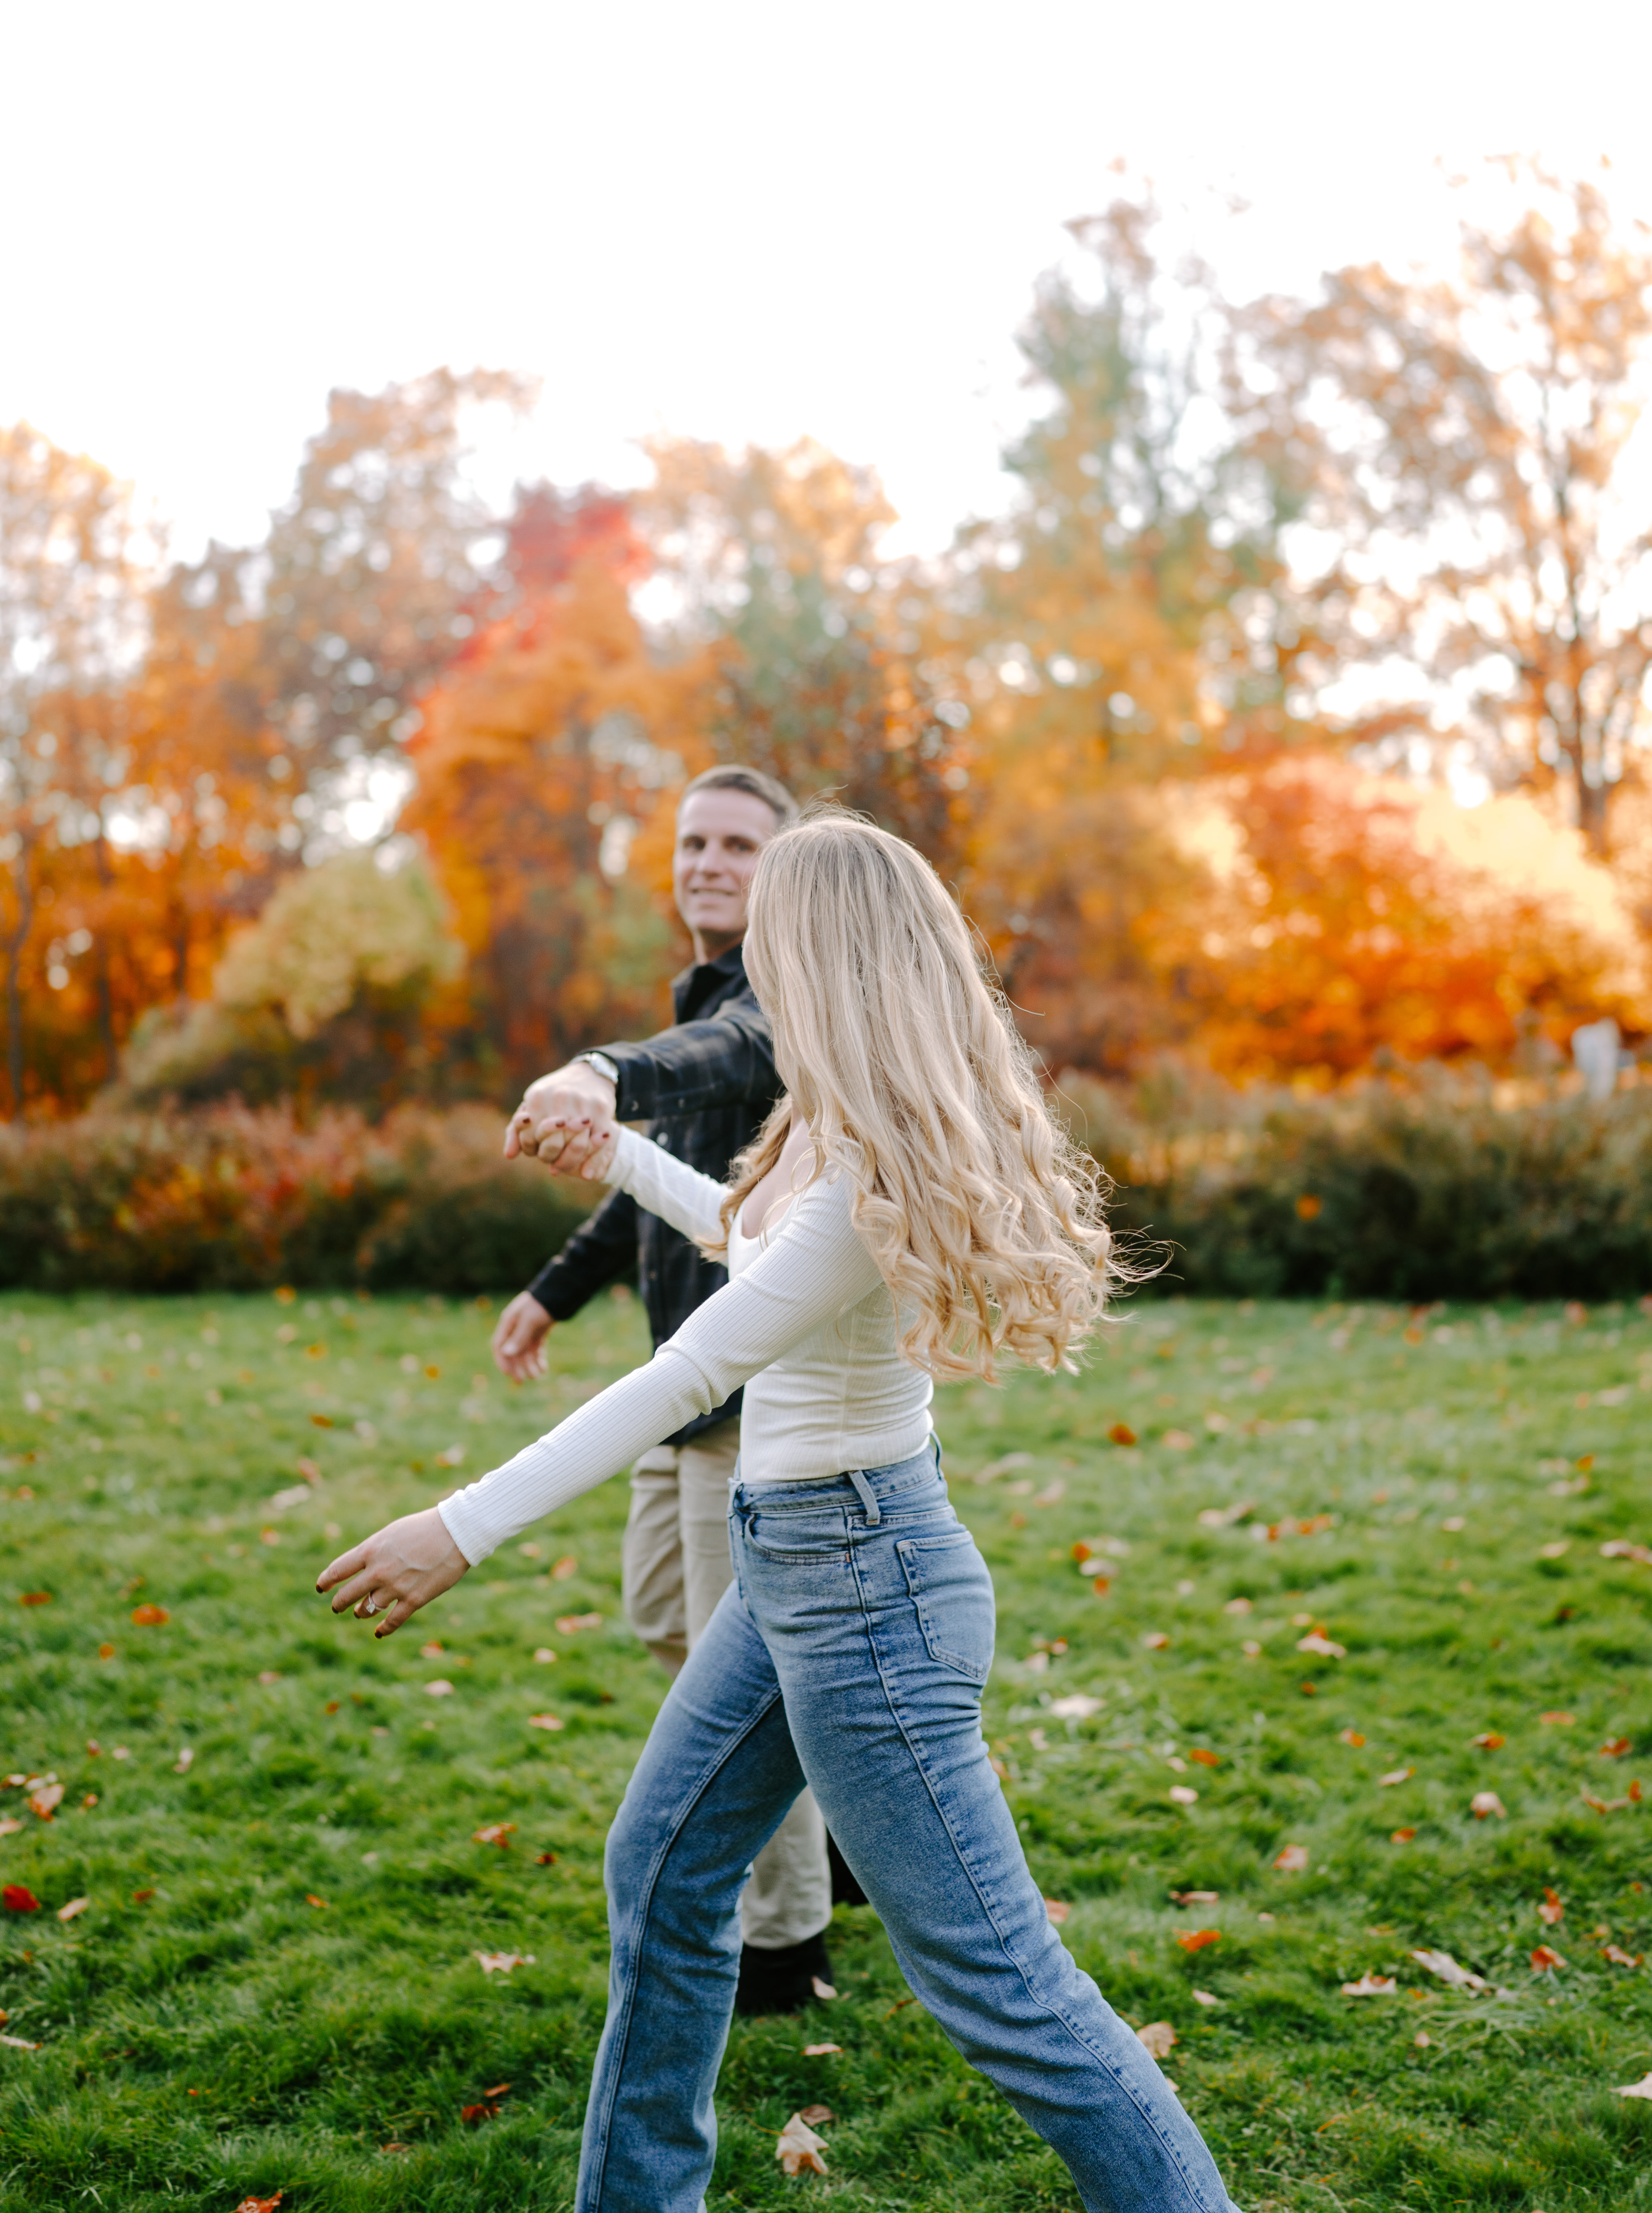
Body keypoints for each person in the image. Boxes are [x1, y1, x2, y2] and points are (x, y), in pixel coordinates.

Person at [318, 816, 1241, 2213]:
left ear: (827, 952)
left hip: (868, 1590)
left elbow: (698, 1364)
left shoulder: (870, 1161)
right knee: (667, 1866)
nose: (756, 964)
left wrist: (464, 1526)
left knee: (1003, 1991)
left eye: (774, 940)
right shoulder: (823, 1123)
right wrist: (619, 1159)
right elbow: (746, 1248)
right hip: (794, 1567)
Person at [492, 761, 840, 2015]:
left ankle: (786, 1943)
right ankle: (837, 1797)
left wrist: (602, 1072)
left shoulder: (776, 1002)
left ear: (783, 871)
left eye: (740, 846)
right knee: (667, 1623)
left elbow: (717, 1056)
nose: (708, 862)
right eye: (695, 841)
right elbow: (653, 1187)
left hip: (745, 1395)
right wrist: (552, 1290)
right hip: (675, 1390)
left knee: (729, 1675)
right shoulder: (699, 991)